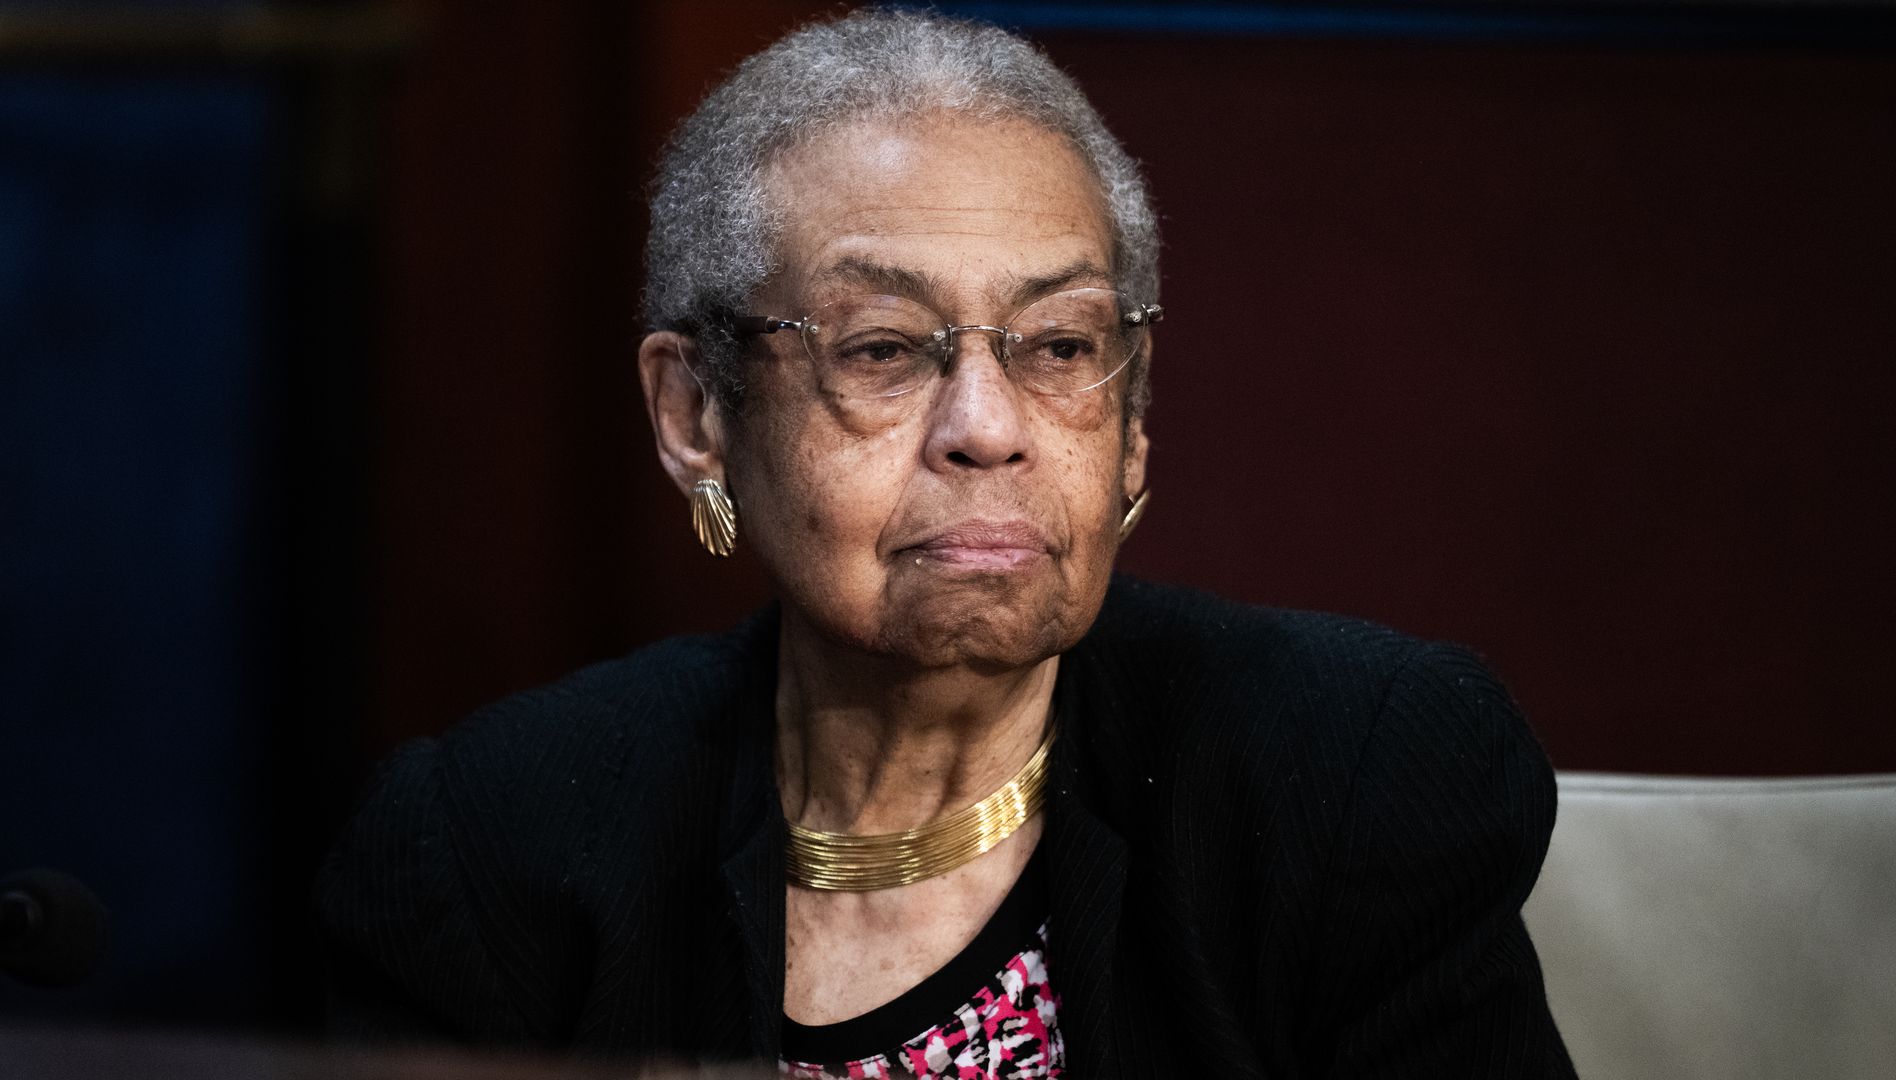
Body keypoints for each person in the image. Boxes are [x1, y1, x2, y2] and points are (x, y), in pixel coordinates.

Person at [316, 11, 1576, 1078]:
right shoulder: (490, 847)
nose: (988, 429)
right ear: (695, 414)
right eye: (881, 348)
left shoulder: (1350, 784)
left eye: (1063, 347)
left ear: (1134, 419)